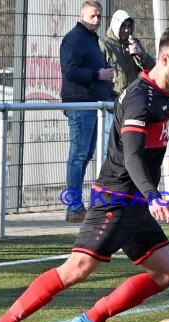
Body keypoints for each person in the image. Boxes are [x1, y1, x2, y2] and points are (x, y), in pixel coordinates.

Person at [0, 26, 169, 322]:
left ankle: (91, 321)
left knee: (165, 273)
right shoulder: (139, 99)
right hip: (115, 201)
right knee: (76, 269)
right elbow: (131, 155)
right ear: (165, 58)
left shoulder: (161, 93)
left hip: (136, 205)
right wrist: (153, 195)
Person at [60, 0, 114, 223]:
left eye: (100, 16)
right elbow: (70, 71)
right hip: (80, 102)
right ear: (82, 15)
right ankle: (73, 206)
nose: (97, 20)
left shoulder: (90, 39)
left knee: (85, 155)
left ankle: (77, 207)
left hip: (93, 103)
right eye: (93, 16)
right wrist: (97, 75)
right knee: (78, 155)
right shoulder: (74, 39)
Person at [99, 9, 155, 160]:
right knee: (109, 150)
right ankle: (106, 182)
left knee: (131, 150)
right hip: (112, 103)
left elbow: (152, 68)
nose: (126, 30)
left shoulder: (134, 44)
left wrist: (140, 55)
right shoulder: (104, 44)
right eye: (123, 26)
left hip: (132, 103)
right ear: (116, 25)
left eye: (129, 26)